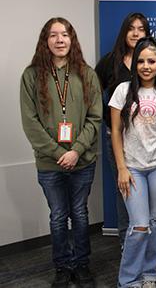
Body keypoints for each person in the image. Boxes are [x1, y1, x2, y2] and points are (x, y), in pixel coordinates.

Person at [20, 17, 102, 288]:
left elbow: (94, 118)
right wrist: (59, 153)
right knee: (58, 216)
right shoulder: (31, 75)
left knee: (79, 214)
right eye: (53, 35)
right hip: (49, 163)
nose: (59, 40)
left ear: (72, 39)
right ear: (46, 41)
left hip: (83, 161)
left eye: (64, 34)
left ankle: (81, 265)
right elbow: (30, 122)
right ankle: (62, 267)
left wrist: (76, 151)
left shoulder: (86, 74)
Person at [109, 37, 156, 288]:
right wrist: (122, 168)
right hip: (133, 168)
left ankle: (150, 273)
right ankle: (128, 280)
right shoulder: (122, 91)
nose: (146, 66)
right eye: (141, 61)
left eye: (151, 60)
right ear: (134, 63)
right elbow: (115, 132)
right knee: (139, 225)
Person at [95, 12, 150, 247]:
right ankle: (126, 244)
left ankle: (144, 239)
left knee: (146, 189)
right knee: (124, 188)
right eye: (131, 28)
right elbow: (93, 94)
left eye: (141, 29)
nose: (136, 33)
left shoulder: (151, 59)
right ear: (124, 32)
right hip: (116, 137)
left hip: (147, 139)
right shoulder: (110, 61)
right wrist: (106, 117)